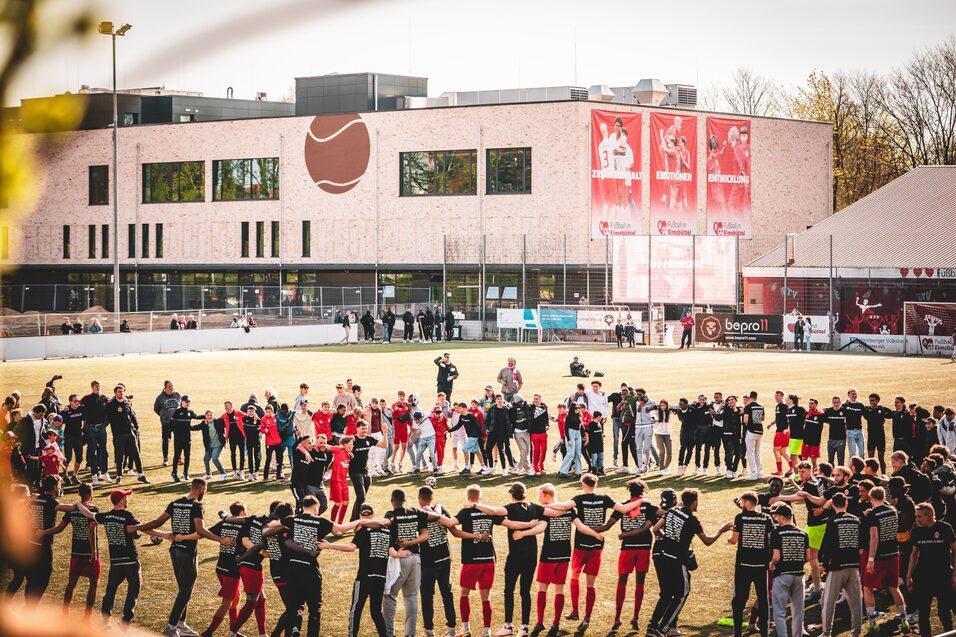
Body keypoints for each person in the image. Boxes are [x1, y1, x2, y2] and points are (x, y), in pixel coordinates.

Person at [137, 478, 236, 637]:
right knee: (185, 591)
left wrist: (139, 528)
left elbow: (157, 522)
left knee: (184, 589)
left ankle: (181, 624)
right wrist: (221, 540)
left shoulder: (175, 503)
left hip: (175, 551)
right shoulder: (197, 506)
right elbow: (201, 530)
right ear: (201, 489)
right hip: (187, 553)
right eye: (205, 490)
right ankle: (171, 627)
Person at [510, 483, 604, 637]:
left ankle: (540, 623)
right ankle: (556, 623)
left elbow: (540, 528)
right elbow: (581, 527)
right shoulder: (569, 510)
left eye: (540, 496)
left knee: (542, 588)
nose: (539, 499)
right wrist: (595, 534)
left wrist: (522, 533)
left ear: (547, 495)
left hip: (548, 555)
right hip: (564, 555)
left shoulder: (545, 511)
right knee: (559, 590)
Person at [263, 494, 364, 637]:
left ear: (303, 506)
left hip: (292, 571)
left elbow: (272, 525)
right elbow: (342, 529)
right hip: (310, 571)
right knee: (314, 611)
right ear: (316, 507)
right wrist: (360, 521)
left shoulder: (292, 519)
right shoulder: (321, 521)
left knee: (293, 608)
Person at [647, 488, 732, 637]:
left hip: (661, 556)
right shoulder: (692, 520)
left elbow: (656, 529)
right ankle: (663, 628)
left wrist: (668, 539)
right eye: (697, 501)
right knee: (682, 593)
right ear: (693, 502)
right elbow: (707, 541)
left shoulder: (672, 511)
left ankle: (652, 626)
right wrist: (721, 531)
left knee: (666, 594)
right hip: (676, 559)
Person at [565, 474, 641, 629]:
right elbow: (623, 509)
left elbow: (564, 506)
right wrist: (642, 500)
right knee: (591, 584)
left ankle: (575, 611)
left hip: (581, 544)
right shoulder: (605, 498)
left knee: (574, 577)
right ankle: (587, 618)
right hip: (597, 545)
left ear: (583, 485)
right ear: (596, 484)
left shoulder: (579, 498)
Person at [470, 482, 543, 637]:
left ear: (511, 494)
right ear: (524, 493)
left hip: (515, 557)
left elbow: (494, 511)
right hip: (531, 556)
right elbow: (551, 511)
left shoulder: (510, 508)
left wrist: (475, 505)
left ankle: (508, 626)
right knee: (525, 591)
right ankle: (524, 628)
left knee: (509, 590)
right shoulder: (534, 507)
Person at [603, 480, 662, 631]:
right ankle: (635, 618)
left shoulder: (623, 506)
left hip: (627, 548)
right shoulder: (648, 505)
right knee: (640, 583)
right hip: (644, 547)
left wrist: (591, 530)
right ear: (643, 491)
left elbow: (608, 525)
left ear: (630, 492)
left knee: (622, 581)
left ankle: (617, 618)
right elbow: (664, 514)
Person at [862, 486, 908, 633]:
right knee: (894, 588)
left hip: (879, 557)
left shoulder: (873, 515)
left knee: (867, 588)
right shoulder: (892, 510)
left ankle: (871, 622)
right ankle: (904, 620)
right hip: (893, 554)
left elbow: (874, 538)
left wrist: (870, 559)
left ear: (871, 498)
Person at [728, 491, 773, 637]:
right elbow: (772, 538)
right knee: (763, 600)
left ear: (747, 502)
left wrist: (729, 539)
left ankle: (737, 633)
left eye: (742, 502)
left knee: (739, 600)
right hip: (761, 565)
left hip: (743, 565)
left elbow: (734, 540)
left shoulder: (740, 518)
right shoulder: (766, 518)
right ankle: (765, 632)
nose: (741, 504)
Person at [907, 502, 955, 637]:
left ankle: (949, 633)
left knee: (944, 612)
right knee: (923, 613)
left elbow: (955, 550)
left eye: (919, 516)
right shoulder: (917, 531)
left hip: (942, 576)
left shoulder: (945, 528)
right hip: (922, 577)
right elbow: (914, 554)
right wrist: (909, 575)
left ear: (929, 516)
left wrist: (954, 574)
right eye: (916, 516)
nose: (916, 519)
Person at [818, 491, 863, 637]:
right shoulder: (856, 520)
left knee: (828, 602)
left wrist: (824, 564)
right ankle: (856, 632)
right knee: (856, 602)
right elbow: (861, 544)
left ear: (832, 505)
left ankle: (826, 632)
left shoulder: (833, 521)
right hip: (854, 565)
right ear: (846, 503)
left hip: (837, 566)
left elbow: (828, 544)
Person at [201, 501, 247, 637]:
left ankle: (234, 631)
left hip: (221, 567)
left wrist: (220, 539)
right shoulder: (244, 526)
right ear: (242, 512)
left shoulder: (224, 523)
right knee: (227, 603)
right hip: (232, 570)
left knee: (236, 599)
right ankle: (208, 632)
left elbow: (205, 532)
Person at [769, 504, 809, 637]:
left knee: (779, 612)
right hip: (799, 575)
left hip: (782, 575)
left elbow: (776, 557)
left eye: (776, 515)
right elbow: (808, 557)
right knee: (798, 611)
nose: (775, 517)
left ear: (782, 517)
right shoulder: (803, 533)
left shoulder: (776, 533)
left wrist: (772, 564)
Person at [62, 482, 100, 612]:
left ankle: (64, 611)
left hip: (76, 551)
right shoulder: (93, 509)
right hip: (89, 552)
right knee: (93, 583)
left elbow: (60, 527)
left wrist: (44, 532)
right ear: (90, 493)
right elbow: (91, 530)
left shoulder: (72, 510)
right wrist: (94, 551)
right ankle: (87, 615)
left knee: (72, 582)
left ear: (79, 493)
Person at [107, 385, 149, 484]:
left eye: (122, 391)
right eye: (119, 391)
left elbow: (133, 416)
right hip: (118, 435)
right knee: (120, 456)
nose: (121, 393)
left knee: (136, 454)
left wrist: (137, 428)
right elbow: (106, 416)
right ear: (115, 393)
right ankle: (119, 476)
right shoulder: (111, 404)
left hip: (129, 433)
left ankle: (141, 475)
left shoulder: (126, 403)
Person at [81, 380, 111, 485]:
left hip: (101, 428)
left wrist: (105, 424)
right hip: (90, 428)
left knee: (104, 451)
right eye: (96, 386)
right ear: (92, 387)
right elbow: (79, 407)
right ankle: (94, 475)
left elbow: (108, 412)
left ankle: (105, 473)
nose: (98, 388)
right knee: (92, 452)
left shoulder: (104, 398)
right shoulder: (86, 398)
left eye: (99, 386)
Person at [170, 395, 203, 482]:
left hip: (187, 438)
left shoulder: (190, 412)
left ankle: (185, 472)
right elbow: (171, 424)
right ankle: (174, 473)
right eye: (186, 401)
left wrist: (206, 416)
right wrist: (169, 435)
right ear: (182, 402)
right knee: (177, 456)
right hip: (178, 438)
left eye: (189, 402)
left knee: (187, 456)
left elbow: (196, 417)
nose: (188, 403)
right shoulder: (177, 411)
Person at [153, 380, 181, 467]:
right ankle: (165, 459)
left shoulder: (177, 395)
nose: (171, 387)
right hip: (166, 423)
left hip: (176, 422)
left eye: (172, 385)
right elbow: (156, 409)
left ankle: (178, 458)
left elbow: (180, 406)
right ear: (165, 387)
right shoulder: (160, 397)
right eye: (169, 386)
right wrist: (164, 416)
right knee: (165, 440)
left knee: (178, 440)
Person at [863, 393, 893, 473]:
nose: (871, 402)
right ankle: (869, 474)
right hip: (871, 437)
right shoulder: (866, 410)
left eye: (873, 400)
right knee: (870, 459)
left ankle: (883, 475)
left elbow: (893, 413)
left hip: (880, 437)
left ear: (877, 401)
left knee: (881, 459)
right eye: (870, 400)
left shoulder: (882, 409)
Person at [742, 391, 765, 480]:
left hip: (751, 430)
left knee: (750, 452)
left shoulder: (748, 407)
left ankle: (753, 472)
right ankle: (759, 471)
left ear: (750, 397)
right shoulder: (760, 406)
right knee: (757, 451)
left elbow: (745, 420)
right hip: (759, 430)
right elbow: (762, 418)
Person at [824, 396, 848, 466]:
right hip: (831, 439)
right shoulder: (828, 411)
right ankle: (831, 473)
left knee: (840, 460)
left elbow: (849, 420)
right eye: (834, 402)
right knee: (830, 460)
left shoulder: (844, 411)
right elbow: (824, 419)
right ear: (832, 403)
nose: (836, 404)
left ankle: (841, 472)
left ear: (840, 403)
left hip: (841, 439)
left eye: (837, 402)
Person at [843, 388, 866, 459]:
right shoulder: (845, 405)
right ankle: (851, 466)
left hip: (859, 431)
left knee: (862, 454)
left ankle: (861, 466)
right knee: (852, 455)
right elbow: (840, 415)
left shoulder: (860, 405)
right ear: (848, 395)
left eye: (855, 394)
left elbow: (867, 416)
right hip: (850, 432)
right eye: (852, 394)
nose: (854, 395)